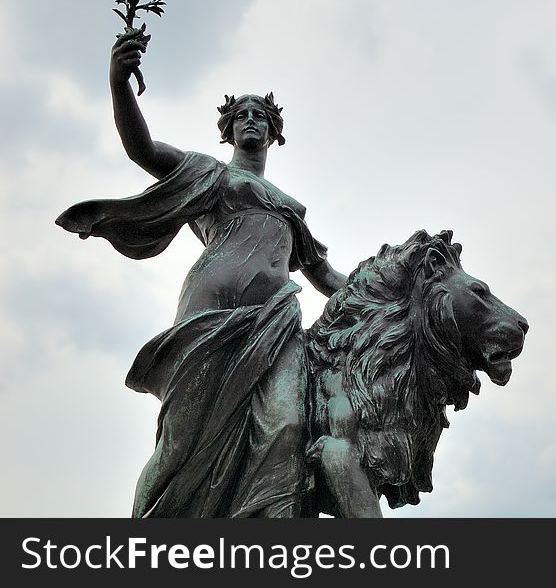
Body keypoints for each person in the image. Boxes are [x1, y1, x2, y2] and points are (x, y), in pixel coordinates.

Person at [56, 30, 348, 517]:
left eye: (261, 115)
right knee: (181, 443)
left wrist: (388, 289)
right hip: (209, 314)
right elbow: (143, 149)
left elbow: (327, 277)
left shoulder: (293, 211)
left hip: (275, 321)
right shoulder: (208, 174)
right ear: (229, 130)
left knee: (288, 426)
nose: (251, 120)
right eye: (242, 115)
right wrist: (118, 83)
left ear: (275, 132)